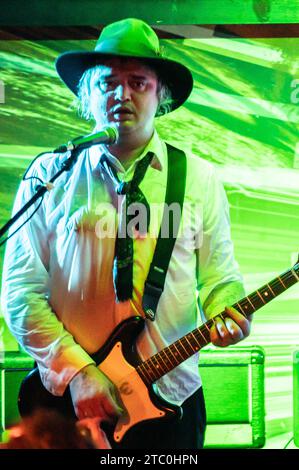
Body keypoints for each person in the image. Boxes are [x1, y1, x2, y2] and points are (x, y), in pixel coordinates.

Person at [1, 18, 252, 449]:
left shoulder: (199, 178)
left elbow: (219, 279)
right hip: (74, 406)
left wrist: (229, 310)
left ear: (160, 95)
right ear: (87, 94)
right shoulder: (50, 173)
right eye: (108, 83)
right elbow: (19, 292)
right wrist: (79, 373)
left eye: (138, 82)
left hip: (173, 399)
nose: (122, 95)